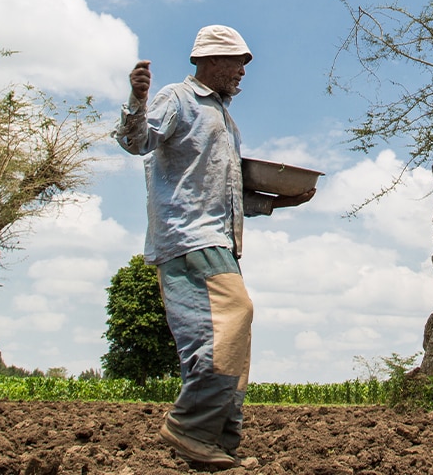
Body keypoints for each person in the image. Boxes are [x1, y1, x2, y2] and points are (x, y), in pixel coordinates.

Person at [116, 25, 315, 470]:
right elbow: (137, 142)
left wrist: (280, 201)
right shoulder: (179, 99)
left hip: (218, 238)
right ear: (209, 61)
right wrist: (137, 100)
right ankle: (190, 426)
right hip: (189, 237)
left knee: (230, 339)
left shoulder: (225, 119)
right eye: (237, 62)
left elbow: (225, 190)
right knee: (233, 319)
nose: (243, 72)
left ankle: (219, 441)